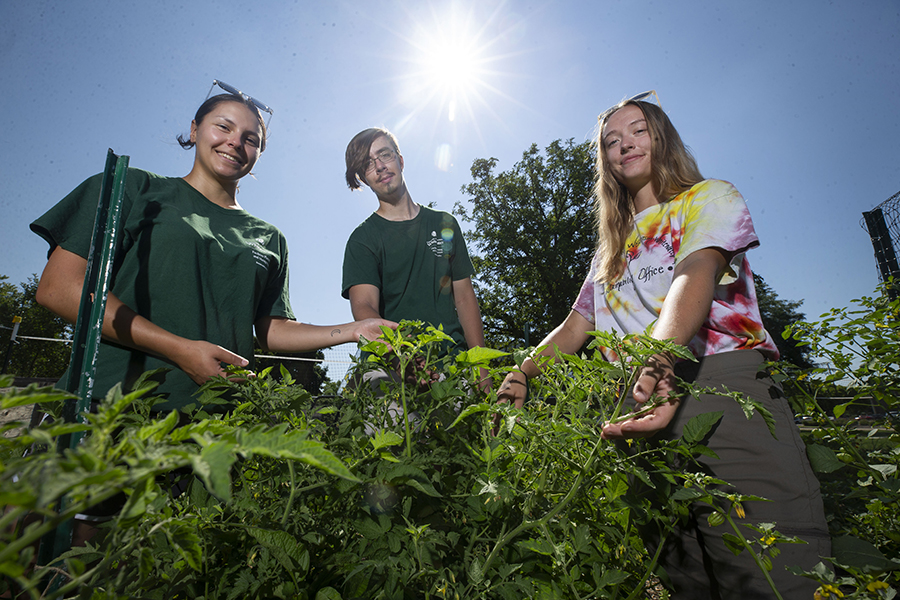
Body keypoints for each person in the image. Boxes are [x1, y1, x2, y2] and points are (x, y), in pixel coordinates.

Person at [496, 94, 830, 598]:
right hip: (635, 411)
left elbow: (694, 274)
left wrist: (659, 358)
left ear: (662, 137)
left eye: (637, 130)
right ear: (604, 161)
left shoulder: (708, 199)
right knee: (686, 576)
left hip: (719, 390)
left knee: (773, 571)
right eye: (611, 140)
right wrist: (522, 371)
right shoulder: (610, 249)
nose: (624, 143)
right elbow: (575, 324)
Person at [32, 83, 395, 413]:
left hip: (213, 421)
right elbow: (59, 289)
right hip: (105, 408)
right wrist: (179, 349)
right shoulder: (132, 188)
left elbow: (273, 330)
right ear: (194, 130)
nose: (236, 142)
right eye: (224, 127)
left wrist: (355, 328)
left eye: (251, 139)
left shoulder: (269, 237)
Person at [341, 127, 487, 389]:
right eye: (367, 164)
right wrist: (398, 356)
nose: (379, 167)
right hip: (390, 368)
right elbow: (364, 308)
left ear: (400, 160)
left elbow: (464, 297)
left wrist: (481, 368)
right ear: (364, 178)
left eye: (384, 155)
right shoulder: (362, 239)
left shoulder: (445, 224)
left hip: (451, 365)